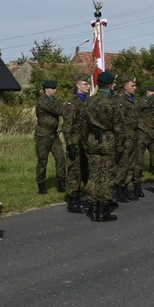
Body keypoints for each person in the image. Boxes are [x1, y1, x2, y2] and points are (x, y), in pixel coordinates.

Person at [85, 71, 124, 222]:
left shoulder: (89, 101)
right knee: (107, 175)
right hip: (108, 139)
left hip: (93, 138)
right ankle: (103, 210)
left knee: (94, 174)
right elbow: (119, 126)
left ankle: (93, 208)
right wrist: (120, 147)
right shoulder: (113, 102)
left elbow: (83, 124)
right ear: (110, 85)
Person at [62, 74, 90, 213]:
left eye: (88, 84)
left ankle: (79, 195)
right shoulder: (71, 103)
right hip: (75, 142)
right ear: (78, 85)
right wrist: (71, 144)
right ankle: (73, 200)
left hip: (86, 142)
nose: (88, 86)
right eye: (85, 84)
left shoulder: (88, 102)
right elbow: (67, 126)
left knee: (86, 170)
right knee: (75, 171)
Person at [34, 80, 66, 195]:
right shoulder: (42, 102)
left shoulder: (54, 100)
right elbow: (59, 110)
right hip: (43, 135)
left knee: (60, 158)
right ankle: (41, 184)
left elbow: (61, 108)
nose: (55, 90)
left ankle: (61, 182)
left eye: (55, 88)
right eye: (53, 88)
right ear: (46, 89)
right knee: (43, 160)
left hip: (53, 135)